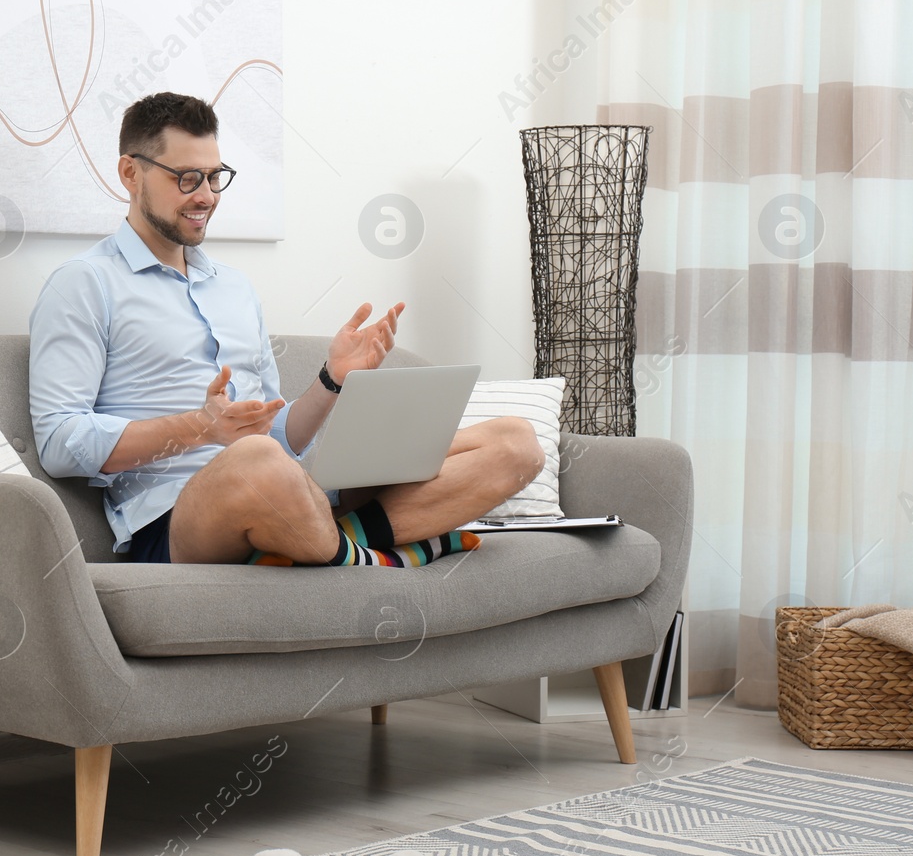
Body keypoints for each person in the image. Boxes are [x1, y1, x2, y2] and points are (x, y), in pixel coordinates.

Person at [29, 92, 543, 566]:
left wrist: (332, 379)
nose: (206, 195)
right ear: (130, 173)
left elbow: (279, 435)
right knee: (258, 461)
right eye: (187, 178)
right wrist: (199, 428)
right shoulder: (84, 284)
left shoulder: (234, 289)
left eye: (214, 177)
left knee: (515, 442)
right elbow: (58, 441)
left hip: (286, 485)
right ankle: (371, 554)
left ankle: (332, 543)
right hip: (174, 519)